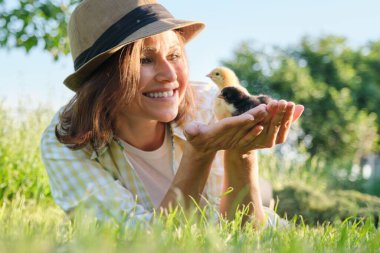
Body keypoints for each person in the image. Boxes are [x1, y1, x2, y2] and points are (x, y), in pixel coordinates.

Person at [40, 0, 303, 228]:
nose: (169, 75)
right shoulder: (65, 143)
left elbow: (243, 235)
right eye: (145, 60)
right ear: (103, 78)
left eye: (174, 55)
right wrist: (198, 156)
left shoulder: (213, 105)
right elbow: (138, 244)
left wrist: (241, 150)